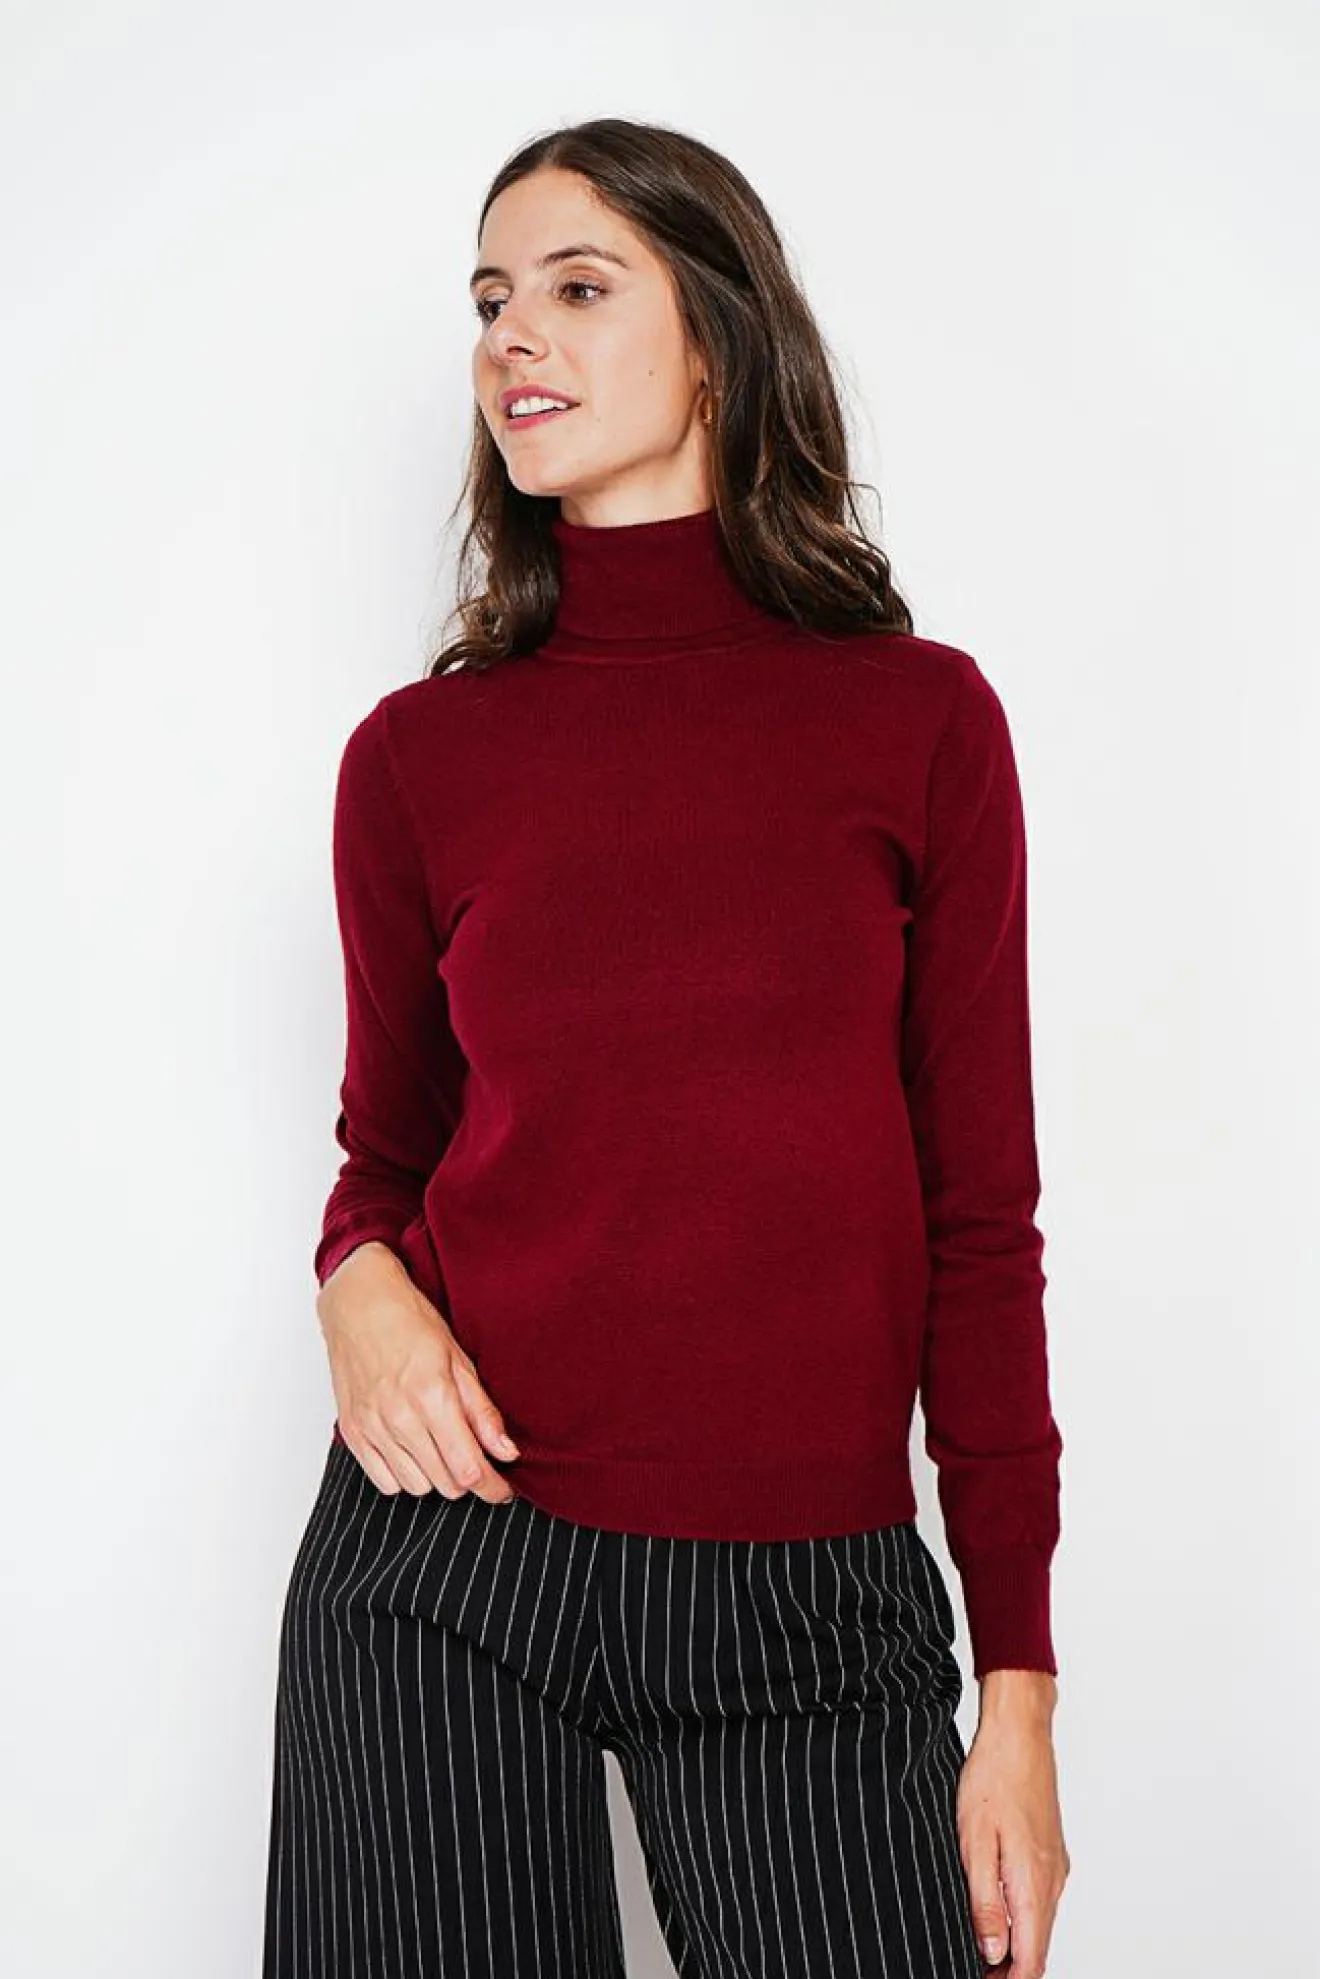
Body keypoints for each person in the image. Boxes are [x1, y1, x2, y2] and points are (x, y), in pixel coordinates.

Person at [263, 117, 1070, 1979]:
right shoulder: (418, 759)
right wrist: (353, 1277)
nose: (509, 338)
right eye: (489, 300)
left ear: (715, 336)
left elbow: (980, 1220)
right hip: (447, 1562)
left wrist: (1017, 1692)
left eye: (575, 285)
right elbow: (387, 1158)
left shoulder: (920, 724)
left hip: (809, 1595)